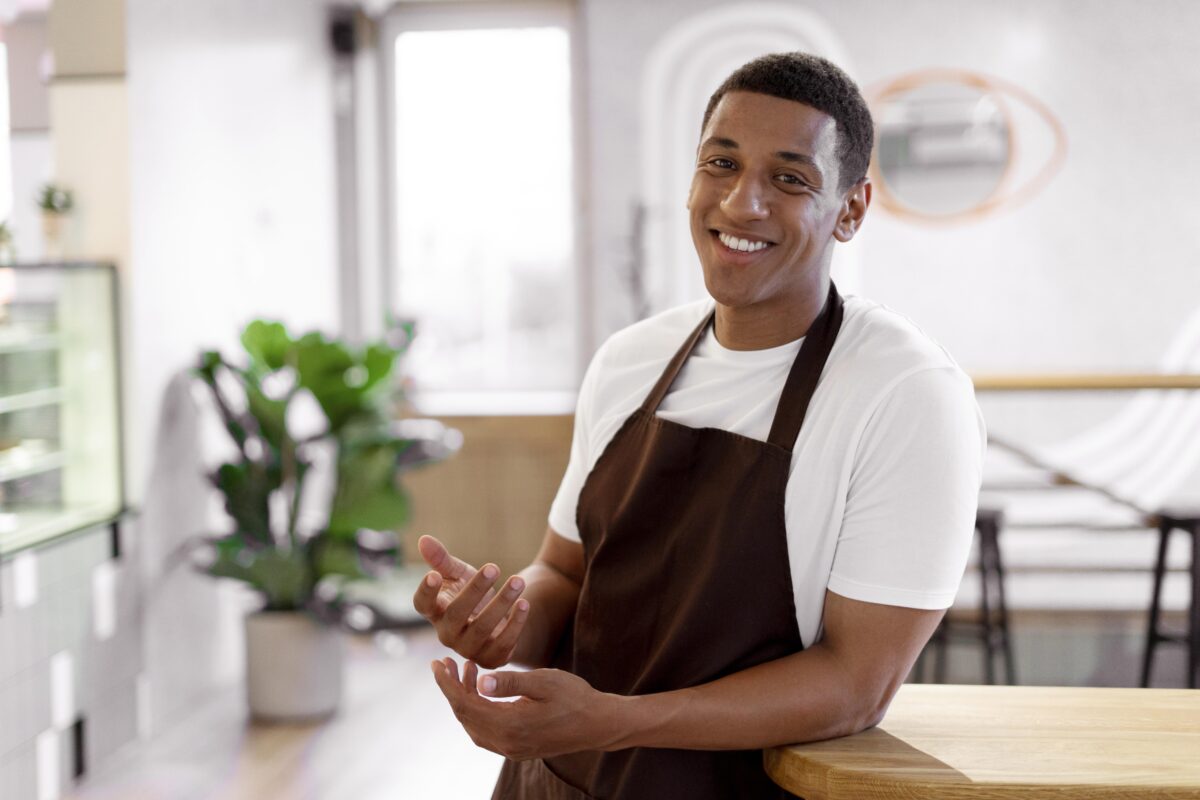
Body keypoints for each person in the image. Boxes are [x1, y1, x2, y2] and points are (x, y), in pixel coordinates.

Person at [414, 51, 985, 799]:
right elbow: (566, 574)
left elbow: (856, 686)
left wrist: (616, 719)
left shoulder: (904, 393)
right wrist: (499, 621)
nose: (742, 203)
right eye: (721, 163)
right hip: (556, 778)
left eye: (789, 177)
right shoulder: (630, 361)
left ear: (850, 209)